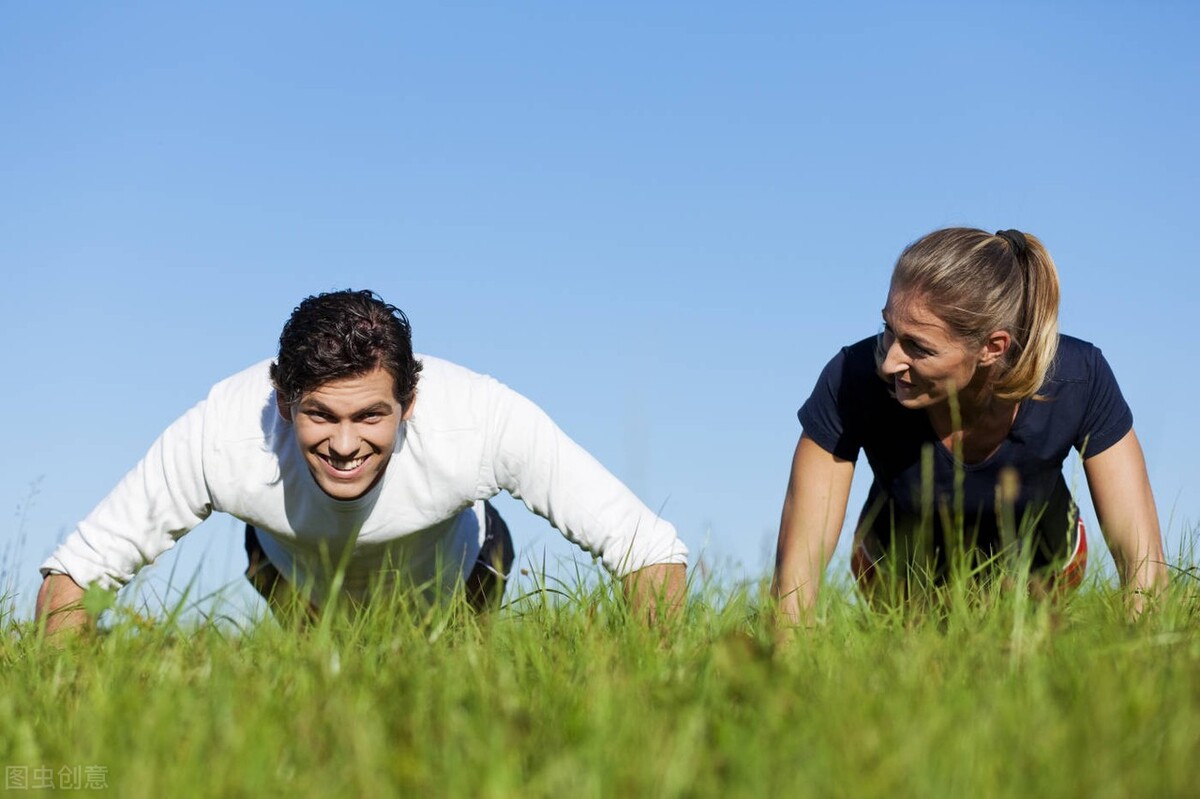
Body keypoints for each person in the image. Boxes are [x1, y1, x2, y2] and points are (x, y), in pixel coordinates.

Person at [37, 290, 688, 632]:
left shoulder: (480, 416)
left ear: (409, 400)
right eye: (321, 414)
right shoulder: (222, 430)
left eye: (369, 415)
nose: (344, 445)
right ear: (283, 401)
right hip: (299, 581)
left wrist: (660, 697)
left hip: (459, 577)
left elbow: (649, 549)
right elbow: (76, 573)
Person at [771, 227, 1167, 623]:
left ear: (993, 348)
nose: (890, 362)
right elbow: (794, 584)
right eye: (889, 329)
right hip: (895, 577)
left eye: (919, 347)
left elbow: (1144, 568)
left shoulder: (1079, 378)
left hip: (1045, 574)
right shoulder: (852, 379)